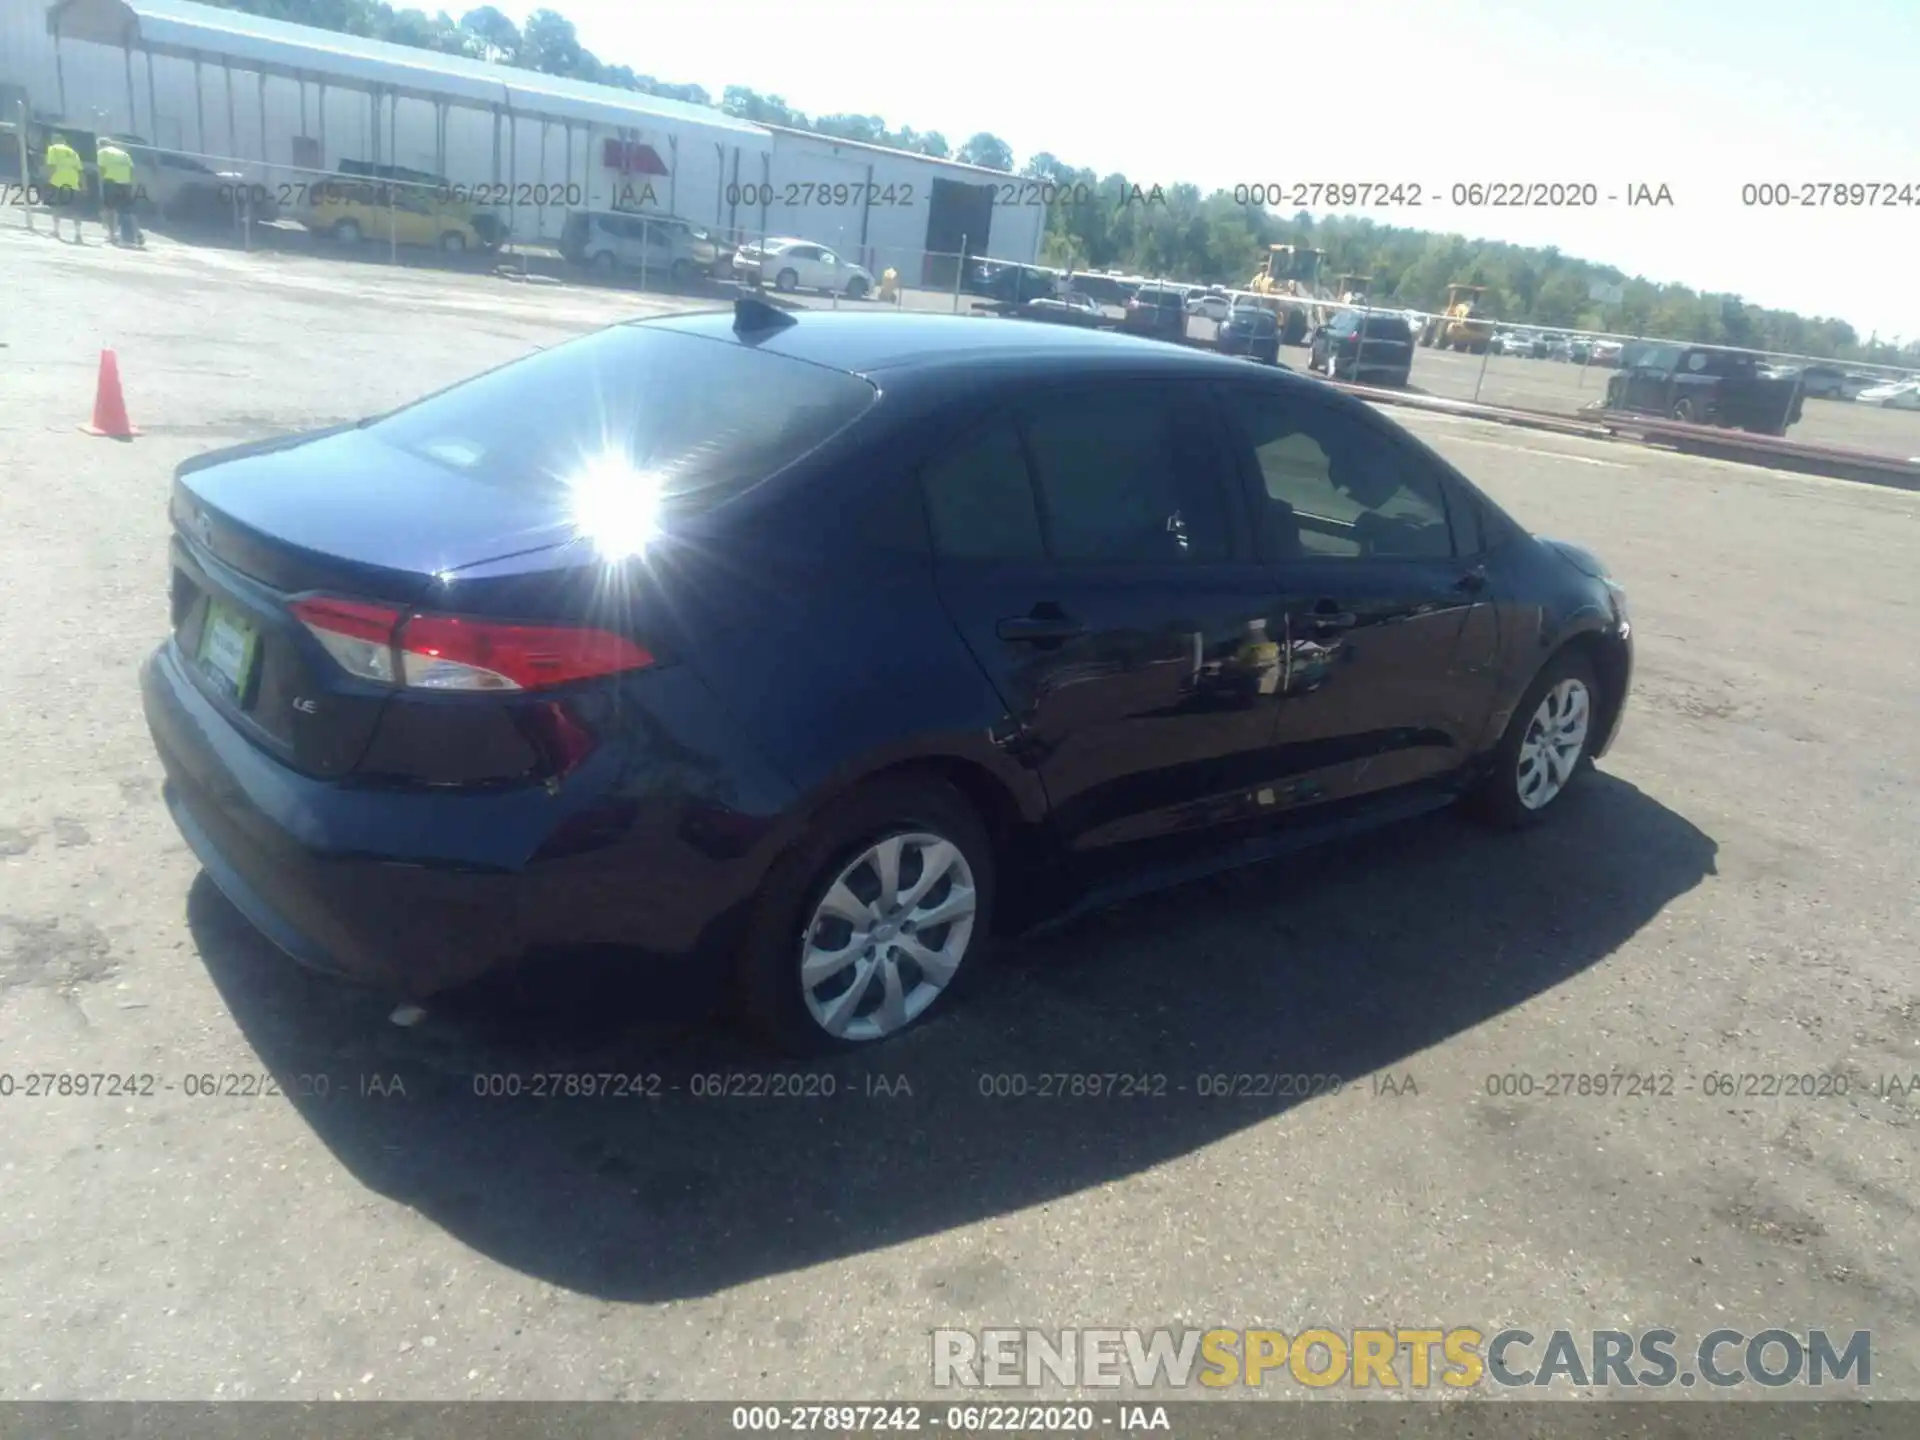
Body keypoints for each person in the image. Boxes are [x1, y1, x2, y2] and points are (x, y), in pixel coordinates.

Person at [96, 137, 140, 246]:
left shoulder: (102, 152)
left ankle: (112, 235)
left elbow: (101, 169)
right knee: (125, 210)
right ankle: (132, 235)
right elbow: (131, 169)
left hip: (110, 181)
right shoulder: (124, 154)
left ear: (100, 145)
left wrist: (101, 182)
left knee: (109, 209)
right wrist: (129, 182)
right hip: (125, 183)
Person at [43, 132, 85, 243]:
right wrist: (83, 185)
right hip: (73, 182)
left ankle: (56, 231)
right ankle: (78, 234)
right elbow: (80, 171)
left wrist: (49, 179)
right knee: (75, 210)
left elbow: (52, 166)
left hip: (58, 181)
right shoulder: (73, 153)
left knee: (56, 207)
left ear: (54, 140)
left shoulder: (53, 149)